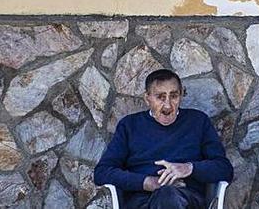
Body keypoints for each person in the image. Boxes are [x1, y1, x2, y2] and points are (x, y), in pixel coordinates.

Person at [94, 68, 233, 209]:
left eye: (173, 96)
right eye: (160, 97)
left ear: (181, 96)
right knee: (165, 195)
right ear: (147, 98)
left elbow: (224, 169)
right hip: (142, 202)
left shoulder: (198, 121)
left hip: (186, 199)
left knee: (168, 195)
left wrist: (189, 168)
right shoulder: (129, 125)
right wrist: (148, 182)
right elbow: (102, 172)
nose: (167, 105)